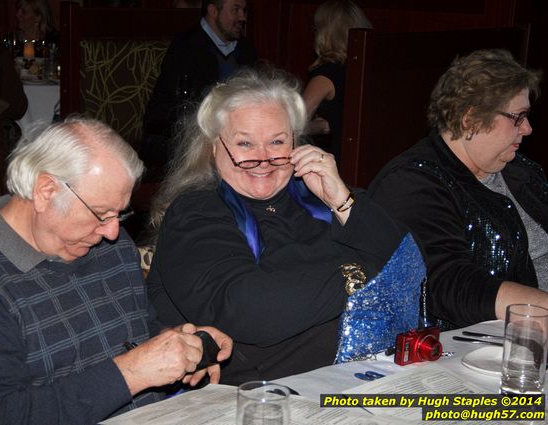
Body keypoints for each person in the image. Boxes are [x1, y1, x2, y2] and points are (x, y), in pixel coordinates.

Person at [0, 117, 232, 425]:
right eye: (101, 213)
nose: (112, 232)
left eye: (119, 214)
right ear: (45, 191)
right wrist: (132, 373)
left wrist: (177, 344)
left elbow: (137, 329)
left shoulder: (108, 246)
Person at [145, 69, 418, 385]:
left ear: (295, 141)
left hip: (366, 378)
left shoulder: (316, 194)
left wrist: (342, 200)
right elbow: (250, 310)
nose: (263, 159)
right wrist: (357, 274)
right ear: (213, 147)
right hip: (264, 396)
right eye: (245, 143)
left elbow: (411, 259)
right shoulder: (196, 211)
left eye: (276, 141)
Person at [368, 49, 548, 329]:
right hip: (485, 347)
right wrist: (538, 310)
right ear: (470, 119)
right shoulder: (412, 183)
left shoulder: (521, 170)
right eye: (517, 117)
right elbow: (449, 283)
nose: (528, 129)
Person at [141, 0, 257, 173]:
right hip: (178, 137)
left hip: (231, 134)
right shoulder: (186, 47)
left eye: (244, 10)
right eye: (235, 10)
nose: (242, 17)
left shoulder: (245, 49)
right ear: (213, 11)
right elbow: (183, 108)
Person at [302, 0, 371, 160]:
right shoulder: (369, 69)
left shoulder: (326, 75)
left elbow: (295, 124)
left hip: (340, 161)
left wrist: (324, 126)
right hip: (370, 157)